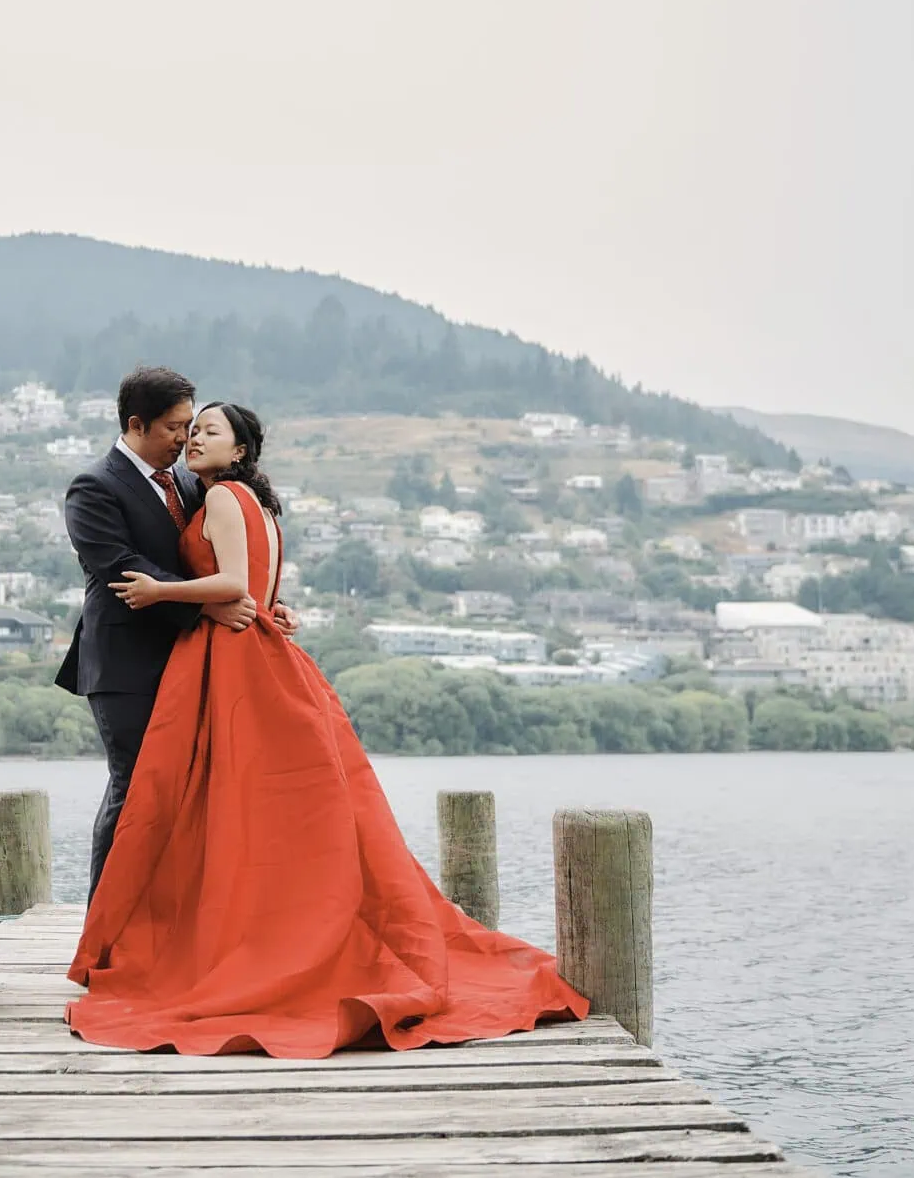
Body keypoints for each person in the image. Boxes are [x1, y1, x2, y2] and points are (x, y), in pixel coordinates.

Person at [65, 400, 590, 1058]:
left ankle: (229, 940)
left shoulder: (222, 497)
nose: (193, 436)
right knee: (240, 806)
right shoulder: (251, 502)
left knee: (213, 803)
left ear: (242, 450)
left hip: (230, 655)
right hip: (245, 650)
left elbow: (234, 583)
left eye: (207, 430)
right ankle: (251, 931)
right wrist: (260, 603)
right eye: (188, 428)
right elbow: (253, 581)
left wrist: (163, 592)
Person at [55, 366, 298, 901]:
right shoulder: (93, 488)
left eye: (193, 426)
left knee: (191, 796)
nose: (186, 438)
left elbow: (220, 556)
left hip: (193, 663)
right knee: (136, 789)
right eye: (175, 427)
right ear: (137, 425)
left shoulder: (194, 482)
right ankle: (104, 927)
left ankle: (169, 926)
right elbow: (120, 568)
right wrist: (211, 609)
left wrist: (266, 605)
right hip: (124, 664)